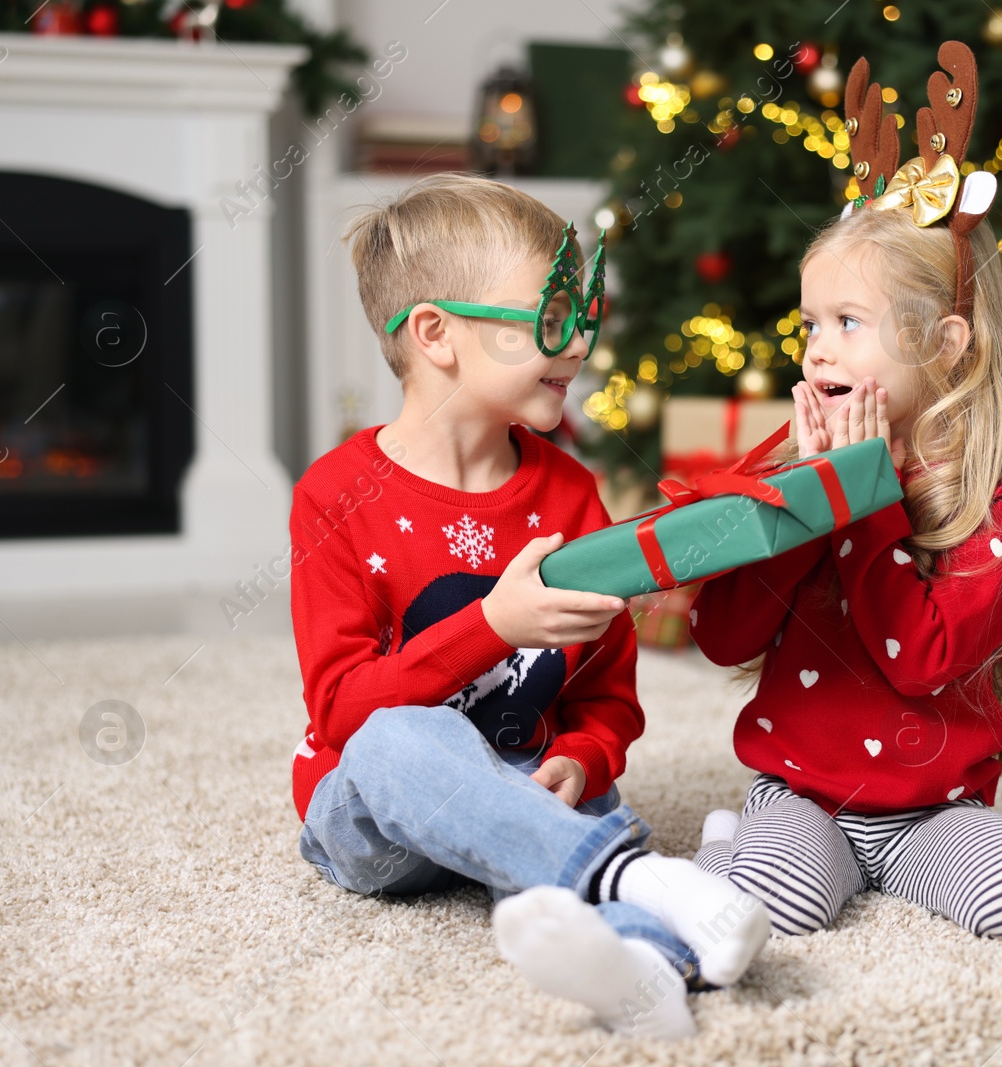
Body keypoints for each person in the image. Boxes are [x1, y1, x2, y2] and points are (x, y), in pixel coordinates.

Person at [290, 174, 767, 1040]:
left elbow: (607, 699)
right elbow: (343, 712)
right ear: (435, 333)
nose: (580, 339)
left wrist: (582, 758)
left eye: (585, 311)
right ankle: (634, 877)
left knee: (580, 806)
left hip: (530, 790)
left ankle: (645, 972)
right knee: (401, 736)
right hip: (379, 814)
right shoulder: (335, 495)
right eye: (549, 316)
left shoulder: (571, 493)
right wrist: (495, 628)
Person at [689, 41, 1002, 944]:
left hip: (931, 808)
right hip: (805, 791)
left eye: (848, 324)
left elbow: (918, 659)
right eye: (809, 326)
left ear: (946, 343)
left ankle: (997, 854)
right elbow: (724, 637)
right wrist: (805, 493)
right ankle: (736, 848)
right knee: (768, 909)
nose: (817, 349)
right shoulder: (791, 457)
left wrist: (863, 499)